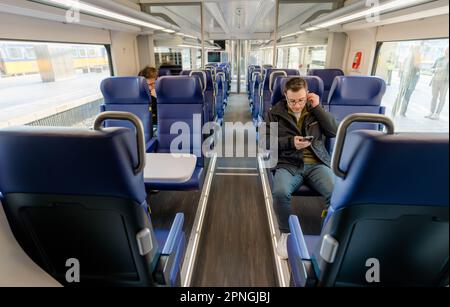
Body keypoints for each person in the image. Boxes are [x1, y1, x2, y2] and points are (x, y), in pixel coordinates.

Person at [265, 77, 338, 259]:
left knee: (336, 193)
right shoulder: (274, 113)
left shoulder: (315, 110)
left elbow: (333, 131)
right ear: (285, 96)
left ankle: (328, 235)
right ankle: (286, 234)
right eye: (292, 101)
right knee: (280, 192)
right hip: (289, 163)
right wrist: (291, 143)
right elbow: (265, 142)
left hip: (316, 163)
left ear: (308, 96)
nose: (297, 105)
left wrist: (318, 107)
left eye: (301, 100)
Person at [391, 46, 422, 118]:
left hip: (411, 81)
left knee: (407, 96)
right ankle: (395, 110)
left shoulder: (417, 57)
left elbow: (418, 67)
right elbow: (402, 68)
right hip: (406, 80)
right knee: (400, 95)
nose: (417, 51)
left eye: (417, 50)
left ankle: (402, 112)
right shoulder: (408, 58)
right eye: (416, 49)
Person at [426, 48, 449, 120]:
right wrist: (435, 69)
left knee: (442, 98)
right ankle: (431, 112)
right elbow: (431, 68)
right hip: (435, 80)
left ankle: (437, 114)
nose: (447, 51)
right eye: (446, 49)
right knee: (434, 97)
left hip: (445, 82)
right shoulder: (439, 59)